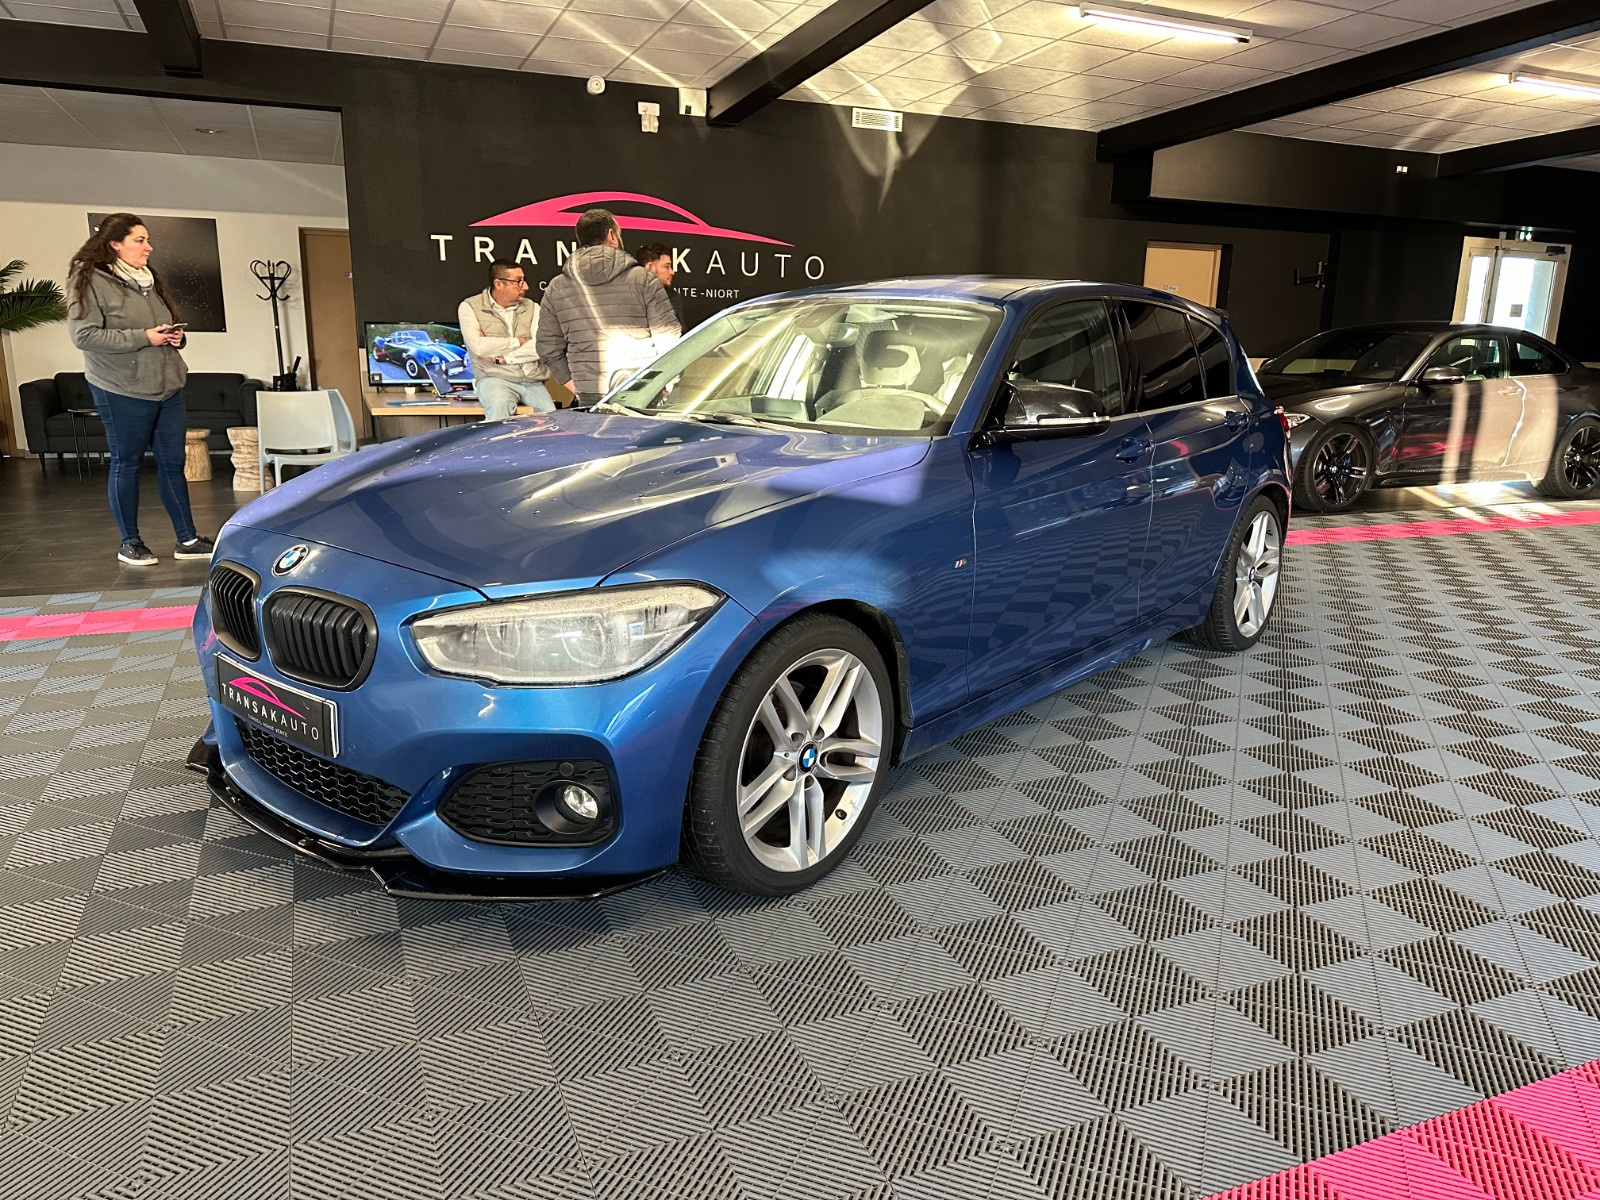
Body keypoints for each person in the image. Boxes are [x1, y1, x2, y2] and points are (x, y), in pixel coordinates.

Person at [66, 213, 213, 568]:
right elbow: (83, 336)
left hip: (167, 387)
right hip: (121, 388)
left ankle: (187, 539)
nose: (149, 247)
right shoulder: (89, 280)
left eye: (147, 240)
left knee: (173, 464)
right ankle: (130, 542)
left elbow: (158, 328)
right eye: (140, 240)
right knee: (127, 463)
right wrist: (144, 337)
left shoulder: (149, 280)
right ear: (114, 244)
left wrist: (175, 337)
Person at [537, 209, 680, 406]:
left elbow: (547, 348)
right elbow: (667, 338)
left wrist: (577, 387)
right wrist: (666, 383)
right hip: (642, 390)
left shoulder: (556, 286)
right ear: (612, 235)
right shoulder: (644, 279)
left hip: (589, 394)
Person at [457, 259, 554, 420]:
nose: (525, 286)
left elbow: (540, 345)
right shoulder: (470, 307)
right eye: (518, 281)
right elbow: (479, 347)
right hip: (494, 378)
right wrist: (520, 341)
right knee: (498, 410)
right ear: (499, 284)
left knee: (552, 420)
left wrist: (503, 358)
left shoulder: (533, 307)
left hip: (532, 381)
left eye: (524, 280)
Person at [635, 242, 685, 328]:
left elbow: (680, 332)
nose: (672, 272)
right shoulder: (625, 296)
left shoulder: (673, 296)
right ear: (650, 267)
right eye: (667, 266)